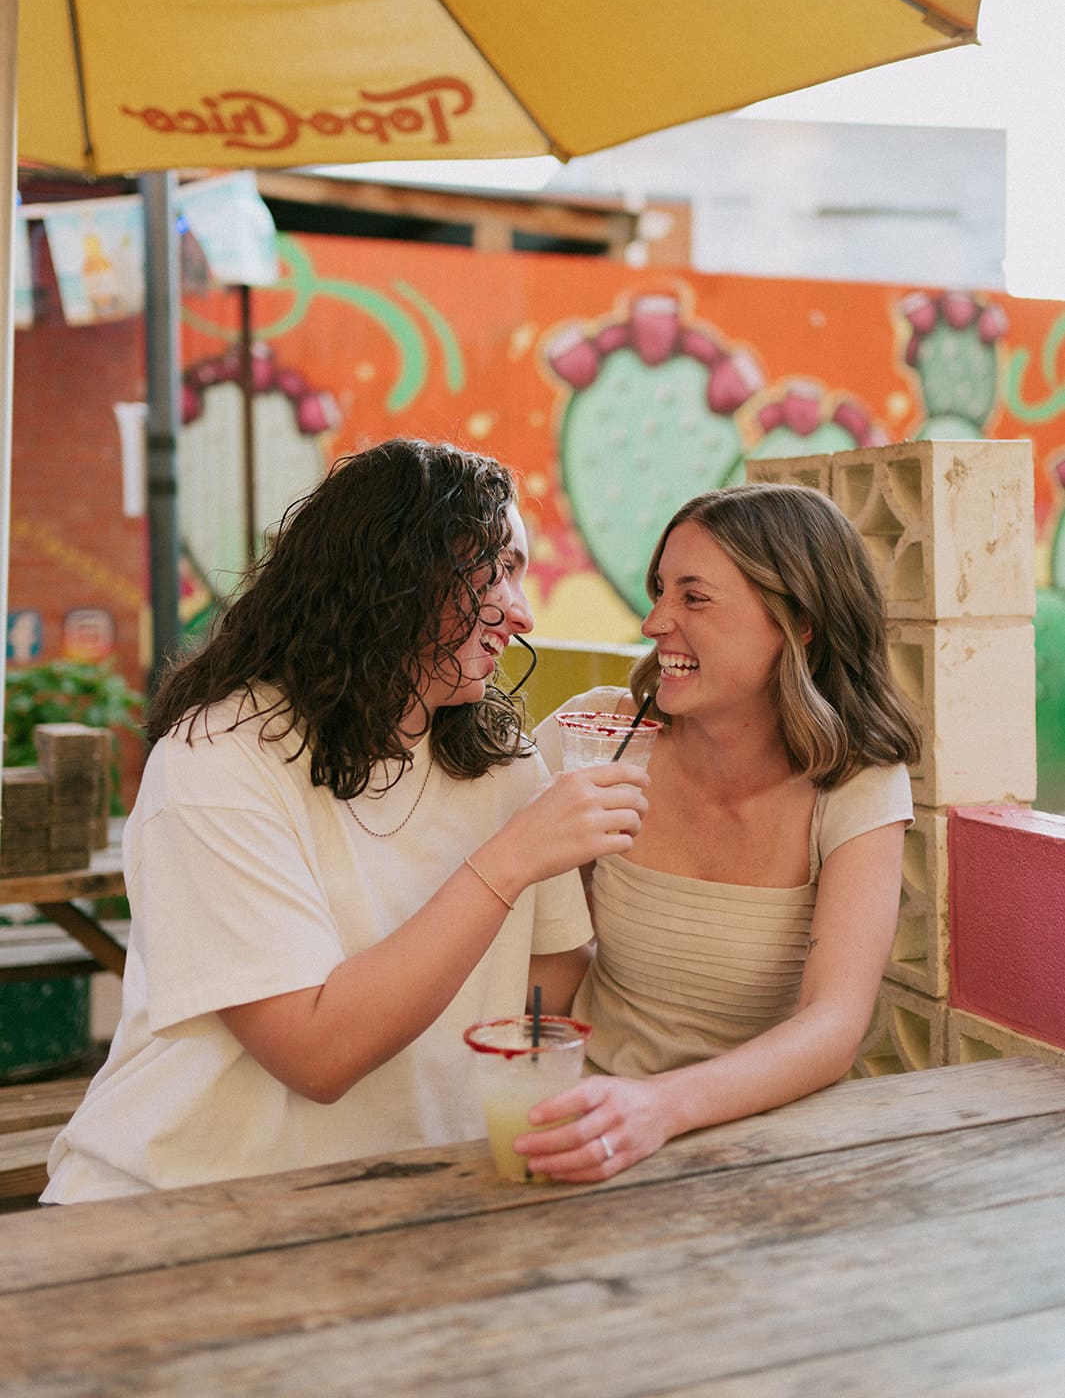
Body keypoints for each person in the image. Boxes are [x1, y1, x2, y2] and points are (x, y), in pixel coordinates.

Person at [43, 438, 649, 1202]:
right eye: (495, 572)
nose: (521, 613)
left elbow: (546, 978)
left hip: (415, 1198)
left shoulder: (504, 763)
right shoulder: (218, 760)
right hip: (184, 1199)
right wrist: (512, 858)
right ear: (393, 577)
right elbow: (315, 1054)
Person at [518, 481, 921, 1183]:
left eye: (692, 598)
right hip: (587, 1128)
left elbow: (832, 1026)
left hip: (764, 1153)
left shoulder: (856, 781)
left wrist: (656, 1108)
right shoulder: (602, 734)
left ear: (798, 621)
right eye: (658, 590)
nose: (652, 622)